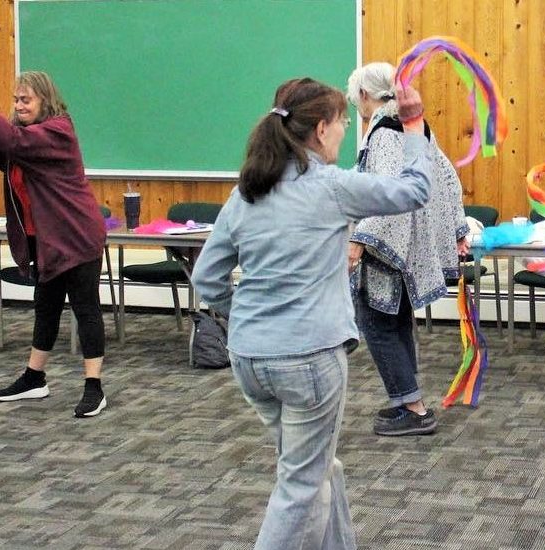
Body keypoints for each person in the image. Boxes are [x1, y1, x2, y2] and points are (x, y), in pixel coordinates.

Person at [191, 78, 432, 549]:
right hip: (307, 363)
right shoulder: (330, 186)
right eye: (343, 123)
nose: (345, 131)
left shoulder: (246, 193)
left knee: (319, 469)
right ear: (321, 130)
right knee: (301, 486)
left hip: (250, 360)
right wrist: (414, 124)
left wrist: (244, 317)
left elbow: (207, 279)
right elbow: (416, 190)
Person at [0, 72, 109, 418]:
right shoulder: (23, 143)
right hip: (47, 240)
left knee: (86, 309)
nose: (19, 105)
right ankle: (35, 377)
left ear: (45, 103)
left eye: (27, 100)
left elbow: (5, 138)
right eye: (17, 100)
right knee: (46, 306)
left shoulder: (57, 133)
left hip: (77, 237)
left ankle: (94, 388)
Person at [346, 62, 468, 437]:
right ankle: (408, 402)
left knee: (376, 323)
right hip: (409, 241)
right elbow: (447, 177)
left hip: (388, 245)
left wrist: (359, 241)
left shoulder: (383, 131)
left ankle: (413, 409)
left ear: (365, 96)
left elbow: (386, 193)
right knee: (395, 323)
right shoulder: (415, 125)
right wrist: (457, 228)